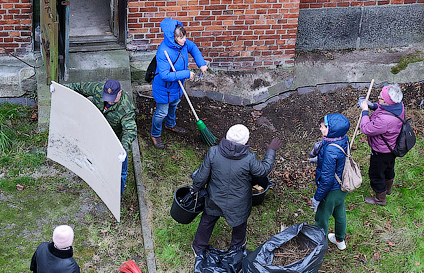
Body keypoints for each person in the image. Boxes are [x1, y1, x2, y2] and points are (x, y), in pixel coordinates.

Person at [191, 124, 282, 257]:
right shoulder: (249, 158)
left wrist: (197, 188)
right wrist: (271, 151)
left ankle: (198, 247)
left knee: (207, 220)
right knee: (239, 223)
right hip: (238, 202)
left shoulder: (213, 152)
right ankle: (237, 247)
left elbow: (201, 177)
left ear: (227, 137)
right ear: (245, 141)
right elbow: (263, 170)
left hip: (214, 198)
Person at [66, 79, 136, 194]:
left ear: (120, 92)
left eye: (113, 98)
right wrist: (59, 89)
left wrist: (123, 149)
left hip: (115, 139)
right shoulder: (97, 88)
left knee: (121, 171)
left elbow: (130, 130)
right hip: (97, 132)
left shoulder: (126, 107)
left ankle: (116, 195)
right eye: (107, 97)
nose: (110, 101)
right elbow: (77, 86)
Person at [150, 18, 208, 149]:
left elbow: (193, 48)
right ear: (173, 37)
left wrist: (202, 64)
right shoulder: (163, 51)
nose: (184, 40)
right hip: (164, 88)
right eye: (180, 37)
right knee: (161, 112)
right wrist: (186, 74)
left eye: (185, 36)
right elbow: (164, 75)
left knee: (174, 104)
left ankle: (170, 124)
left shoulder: (184, 44)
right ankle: (155, 134)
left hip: (177, 85)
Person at [309, 113, 351, 250]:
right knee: (340, 212)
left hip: (331, 190)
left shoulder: (330, 150)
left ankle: (318, 246)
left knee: (322, 217)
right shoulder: (343, 139)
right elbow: (337, 160)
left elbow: (326, 180)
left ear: (331, 129)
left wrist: (317, 198)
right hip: (342, 186)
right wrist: (320, 159)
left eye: (323, 127)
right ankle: (340, 240)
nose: (320, 129)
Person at [359, 83, 405, 206]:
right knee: (389, 168)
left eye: (381, 99)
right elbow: (381, 107)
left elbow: (366, 128)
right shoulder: (398, 105)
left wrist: (365, 112)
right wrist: (372, 105)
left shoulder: (385, 120)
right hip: (391, 148)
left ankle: (380, 199)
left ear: (388, 102)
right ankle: (388, 189)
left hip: (381, 152)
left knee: (376, 174)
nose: (378, 99)